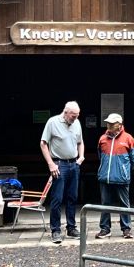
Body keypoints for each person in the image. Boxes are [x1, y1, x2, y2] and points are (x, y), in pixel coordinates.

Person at [40, 101, 85, 245]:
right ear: (65, 112)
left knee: (73, 197)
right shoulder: (52, 122)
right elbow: (43, 143)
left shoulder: (77, 123)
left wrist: (81, 156)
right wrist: (50, 164)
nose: (75, 119)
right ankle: (56, 230)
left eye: (77, 116)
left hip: (74, 164)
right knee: (57, 198)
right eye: (73, 116)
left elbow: (80, 141)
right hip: (59, 164)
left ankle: (71, 227)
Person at [95, 113, 134, 239]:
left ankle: (126, 229)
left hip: (121, 177)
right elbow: (100, 156)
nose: (108, 125)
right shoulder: (102, 138)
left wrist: (125, 170)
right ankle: (105, 228)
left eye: (112, 123)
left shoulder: (128, 138)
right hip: (105, 177)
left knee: (124, 204)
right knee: (105, 204)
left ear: (119, 125)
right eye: (108, 123)